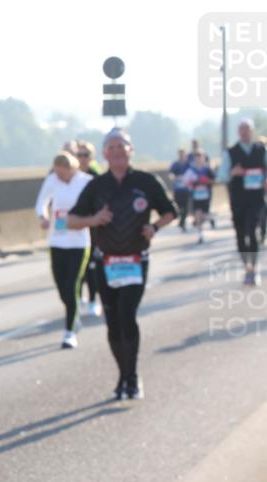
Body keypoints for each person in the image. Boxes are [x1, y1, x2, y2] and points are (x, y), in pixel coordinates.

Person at [68, 129, 177, 400]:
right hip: (105, 262)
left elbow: (171, 211)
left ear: (131, 151)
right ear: (105, 154)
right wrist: (95, 220)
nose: (117, 151)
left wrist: (154, 227)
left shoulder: (145, 181)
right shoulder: (97, 185)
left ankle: (132, 376)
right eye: (111, 147)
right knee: (113, 323)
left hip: (135, 260)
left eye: (122, 146)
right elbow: (71, 220)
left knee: (127, 316)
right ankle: (122, 375)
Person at [35, 152, 93, 348]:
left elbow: (95, 205)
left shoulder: (86, 181)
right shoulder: (52, 180)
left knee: (71, 285)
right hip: (57, 239)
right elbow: (41, 202)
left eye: (62, 173)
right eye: (57, 172)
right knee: (62, 287)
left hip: (78, 241)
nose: (59, 176)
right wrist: (43, 217)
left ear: (71, 169)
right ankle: (74, 315)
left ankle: (69, 332)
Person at [219, 119, 266, 286]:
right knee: (240, 235)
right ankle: (246, 266)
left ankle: (253, 267)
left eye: (247, 128)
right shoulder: (230, 152)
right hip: (238, 200)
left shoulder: (261, 150)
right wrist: (232, 172)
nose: (244, 132)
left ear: (252, 131)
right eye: (241, 129)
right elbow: (221, 176)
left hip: (256, 199)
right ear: (238, 132)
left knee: (252, 232)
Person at [74, 141, 103, 317]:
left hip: (92, 229)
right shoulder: (71, 176)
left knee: (91, 267)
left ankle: (93, 300)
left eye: (85, 155)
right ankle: (77, 300)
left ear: (91, 158)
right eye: (79, 155)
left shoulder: (96, 178)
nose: (82, 158)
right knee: (77, 269)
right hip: (74, 228)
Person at [185, 150, 215, 244]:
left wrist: (206, 181)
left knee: (205, 215)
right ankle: (200, 235)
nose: (198, 159)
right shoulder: (191, 170)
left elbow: (214, 180)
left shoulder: (207, 169)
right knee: (197, 215)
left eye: (200, 157)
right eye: (196, 157)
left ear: (203, 158)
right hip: (196, 197)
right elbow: (186, 182)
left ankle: (210, 218)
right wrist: (193, 183)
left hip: (206, 196)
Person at [169, 148, 191, 231]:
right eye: (180, 154)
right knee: (178, 205)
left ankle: (183, 221)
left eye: (183, 154)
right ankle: (181, 218)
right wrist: (175, 177)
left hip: (186, 189)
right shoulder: (175, 164)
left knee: (185, 206)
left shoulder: (189, 164)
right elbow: (171, 174)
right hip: (177, 189)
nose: (181, 155)